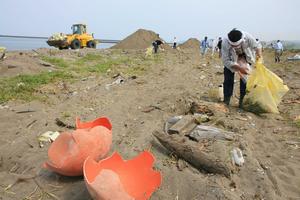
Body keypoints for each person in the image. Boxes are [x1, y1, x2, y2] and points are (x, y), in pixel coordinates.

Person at [221, 29, 262, 108]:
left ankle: (242, 102)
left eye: (237, 45)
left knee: (245, 82)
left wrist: (259, 54)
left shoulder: (247, 37)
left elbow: (257, 46)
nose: (235, 47)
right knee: (228, 80)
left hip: (245, 57)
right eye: (233, 46)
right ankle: (226, 100)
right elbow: (226, 60)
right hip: (231, 60)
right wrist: (239, 68)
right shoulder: (225, 42)